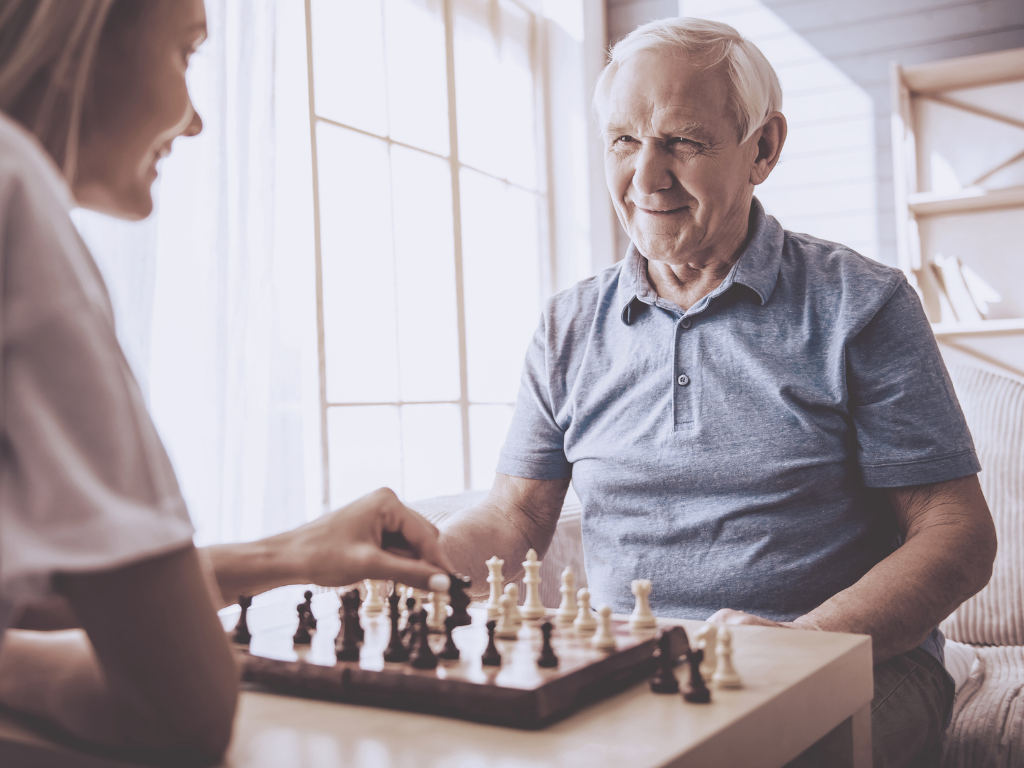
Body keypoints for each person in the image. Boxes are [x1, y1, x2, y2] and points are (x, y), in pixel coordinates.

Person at [438, 17, 997, 768]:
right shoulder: (567, 326)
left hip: (847, 666)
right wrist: (413, 557)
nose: (646, 178)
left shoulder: (862, 303)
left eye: (683, 141)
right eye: (624, 141)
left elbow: (956, 533)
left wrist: (806, 647)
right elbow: (516, 516)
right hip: (632, 671)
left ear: (763, 148)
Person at [0, 0, 450, 762]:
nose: (197, 120)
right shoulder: (15, 189)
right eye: (186, 54)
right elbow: (182, 710)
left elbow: (38, 598)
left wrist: (290, 554)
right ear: (81, 39)